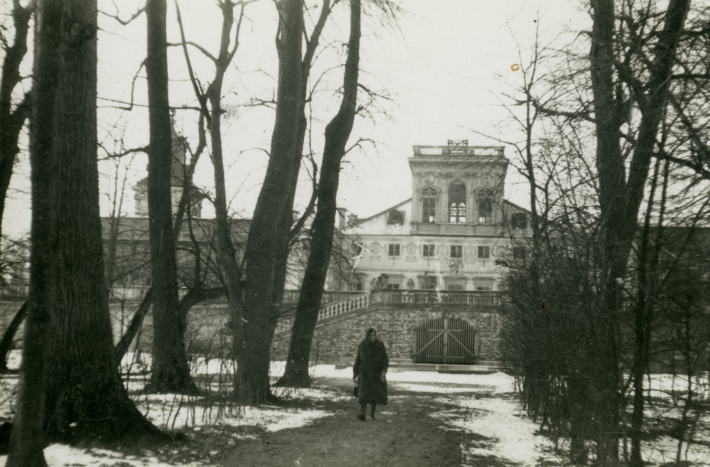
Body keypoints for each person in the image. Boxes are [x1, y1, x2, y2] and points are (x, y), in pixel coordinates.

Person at [353, 327, 389, 421]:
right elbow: (358, 360)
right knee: (363, 393)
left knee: (374, 394)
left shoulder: (379, 345)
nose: (372, 337)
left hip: (375, 373)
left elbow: (385, 360)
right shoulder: (362, 345)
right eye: (370, 335)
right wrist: (355, 373)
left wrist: (383, 371)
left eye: (374, 335)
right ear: (367, 336)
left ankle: (372, 413)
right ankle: (362, 413)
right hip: (364, 373)